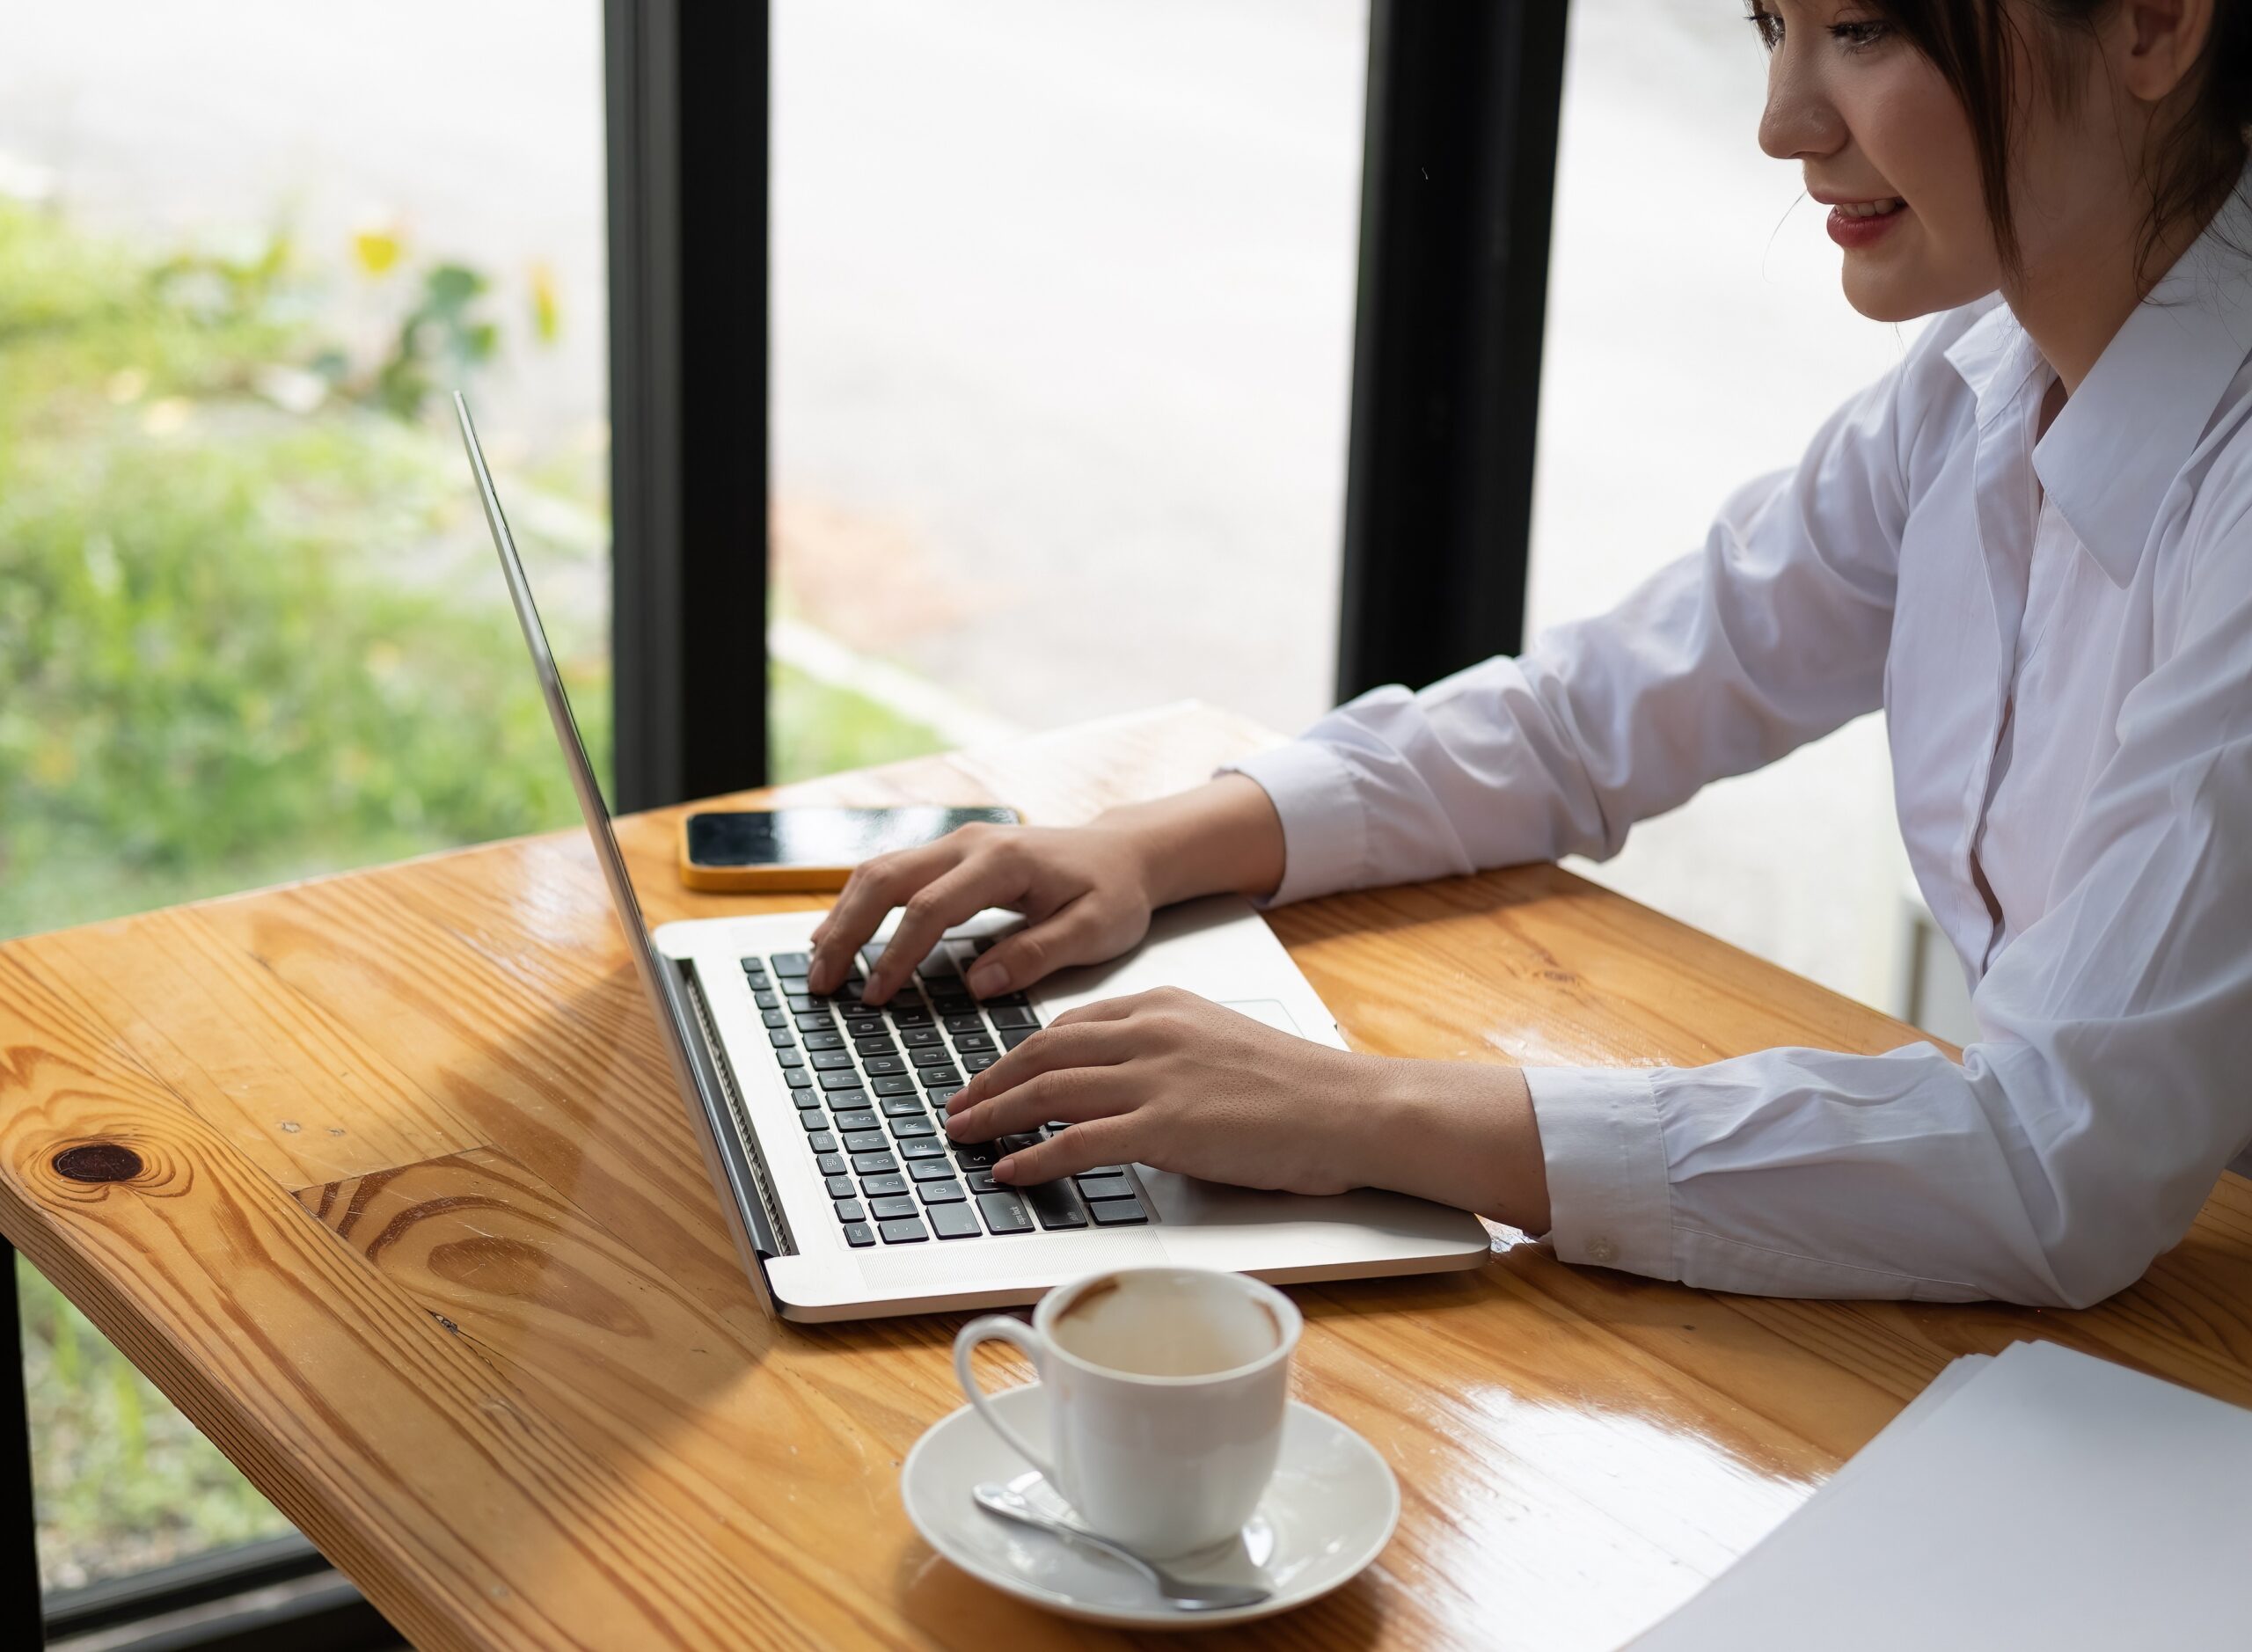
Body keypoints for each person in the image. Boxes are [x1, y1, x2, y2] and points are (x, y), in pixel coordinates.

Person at [808, 0, 2252, 1309]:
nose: (1781, 122)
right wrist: (1152, 843)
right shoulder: (1980, 381)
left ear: (2150, 26)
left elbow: (2056, 1156)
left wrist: (1361, 1114)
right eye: (1771, 22)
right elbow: (1592, 713)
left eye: (1864, 26)